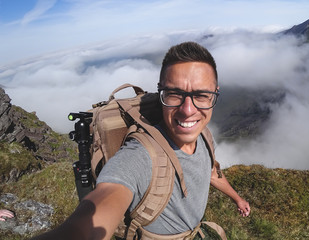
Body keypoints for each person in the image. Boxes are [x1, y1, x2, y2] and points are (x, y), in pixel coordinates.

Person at [31, 41, 250, 240]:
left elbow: (211, 172)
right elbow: (106, 197)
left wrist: (237, 199)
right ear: (160, 92)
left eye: (201, 95)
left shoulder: (204, 135)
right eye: (174, 94)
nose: (187, 110)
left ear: (214, 94)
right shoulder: (141, 154)